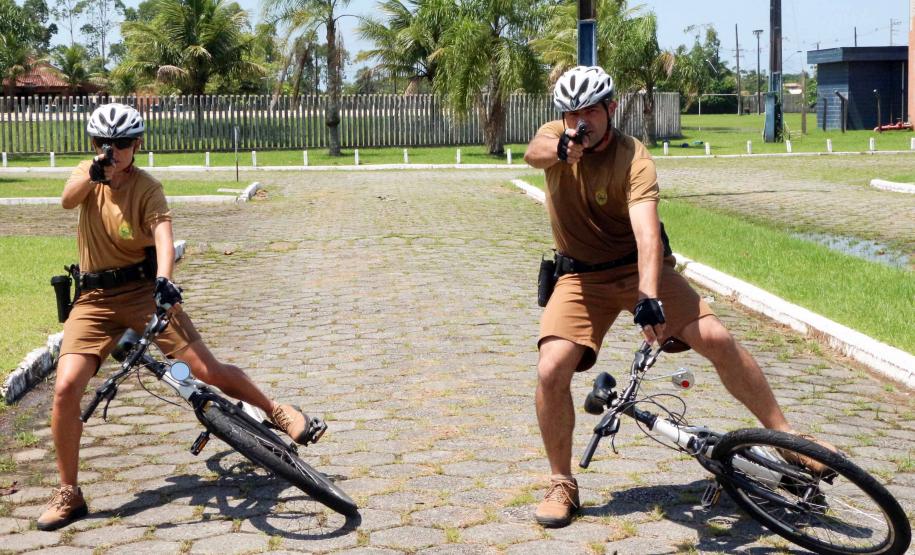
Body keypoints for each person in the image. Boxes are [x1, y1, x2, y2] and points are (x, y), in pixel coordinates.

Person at [523, 66, 835, 528]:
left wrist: (649, 296)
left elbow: (648, 236)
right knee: (551, 369)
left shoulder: (635, 158)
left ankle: (787, 437)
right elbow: (535, 154)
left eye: (590, 110)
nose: (579, 121)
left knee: (716, 337)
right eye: (571, 113)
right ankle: (561, 482)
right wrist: (562, 146)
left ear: (611, 108)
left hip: (636, 269)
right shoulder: (557, 137)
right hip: (579, 279)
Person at [38, 103, 322, 531]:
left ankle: (276, 410)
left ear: (137, 144)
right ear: (93, 144)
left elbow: (162, 236)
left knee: (205, 369)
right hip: (94, 300)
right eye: (103, 142)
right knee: (64, 390)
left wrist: (165, 279)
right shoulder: (86, 175)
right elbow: (66, 201)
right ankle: (69, 492)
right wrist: (94, 174)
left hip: (141, 291)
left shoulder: (148, 187)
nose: (112, 150)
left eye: (122, 143)